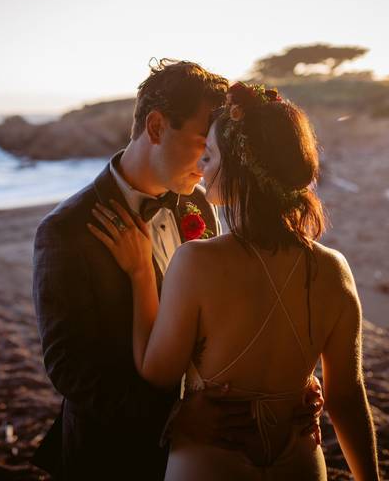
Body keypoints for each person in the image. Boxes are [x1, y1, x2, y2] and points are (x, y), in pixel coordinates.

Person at [32, 62, 322, 480]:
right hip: (113, 453)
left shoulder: (199, 204)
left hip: (206, 450)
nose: (208, 164)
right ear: (155, 127)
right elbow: (68, 366)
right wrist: (173, 418)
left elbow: (226, 315)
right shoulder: (65, 231)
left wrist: (286, 384)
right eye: (203, 142)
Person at [89, 82, 380, 480]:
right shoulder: (334, 269)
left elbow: (157, 371)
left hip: (210, 462)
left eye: (209, 156)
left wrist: (141, 273)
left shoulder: (196, 261)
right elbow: (347, 398)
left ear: (240, 167)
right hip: (300, 460)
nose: (202, 167)